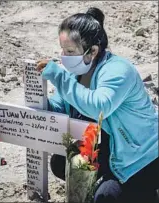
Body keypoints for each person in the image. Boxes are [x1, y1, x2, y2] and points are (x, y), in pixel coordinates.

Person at [36, 7, 159, 203]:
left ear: (92, 51)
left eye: (70, 51)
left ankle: (148, 194)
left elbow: (99, 106)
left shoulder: (118, 70)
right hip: (109, 148)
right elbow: (60, 107)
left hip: (140, 156)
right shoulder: (73, 73)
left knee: (106, 196)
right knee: (61, 163)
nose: (63, 56)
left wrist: (58, 77)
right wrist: (39, 102)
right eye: (62, 49)